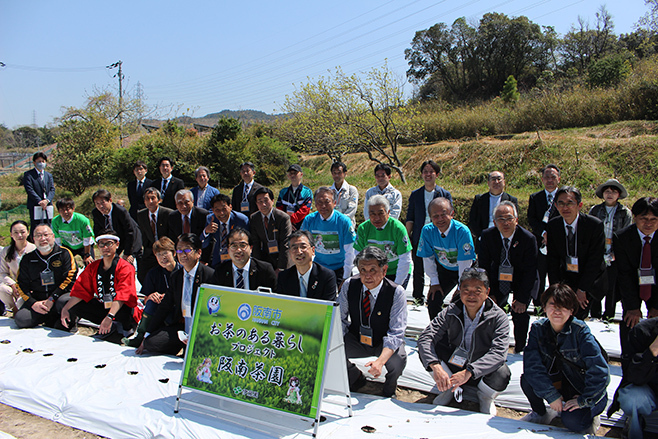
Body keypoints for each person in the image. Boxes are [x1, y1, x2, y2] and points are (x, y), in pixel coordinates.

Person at [417, 269, 511, 415]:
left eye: (478, 290)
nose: (471, 295)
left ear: (487, 292)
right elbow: (426, 337)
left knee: (502, 373)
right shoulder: (451, 311)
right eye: (466, 290)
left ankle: (485, 396)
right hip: (455, 363)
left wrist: (469, 372)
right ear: (459, 291)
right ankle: (447, 387)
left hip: (481, 369)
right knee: (428, 349)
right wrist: (435, 366)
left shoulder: (498, 318)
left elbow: (498, 353)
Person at [520, 284, 609, 435]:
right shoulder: (538, 328)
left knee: (573, 422)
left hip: (582, 389)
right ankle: (541, 413)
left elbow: (599, 372)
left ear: (572, 310)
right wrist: (551, 395)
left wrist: (583, 400)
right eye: (552, 304)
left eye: (563, 306)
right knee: (527, 380)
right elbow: (532, 365)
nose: (557, 311)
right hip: (558, 384)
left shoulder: (580, 331)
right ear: (544, 306)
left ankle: (590, 416)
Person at [340, 246, 408, 397]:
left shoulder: (396, 292)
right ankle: (355, 377)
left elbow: (396, 332)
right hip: (357, 338)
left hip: (382, 342)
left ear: (384, 271)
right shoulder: (349, 285)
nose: (367, 275)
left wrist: (380, 361)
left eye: (372, 270)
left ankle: (389, 387)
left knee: (398, 359)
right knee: (331, 349)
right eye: (362, 270)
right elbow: (339, 319)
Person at [138, 233, 215, 355]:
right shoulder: (176, 276)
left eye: (187, 250)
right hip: (181, 326)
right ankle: (177, 346)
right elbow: (164, 306)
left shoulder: (210, 275)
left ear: (199, 252)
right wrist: (146, 335)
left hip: (201, 327)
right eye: (179, 250)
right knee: (151, 343)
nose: (182, 254)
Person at [478, 201, 538, 353]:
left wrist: (523, 299)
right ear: (494, 222)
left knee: (520, 313)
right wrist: (488, 292)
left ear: (516, 220)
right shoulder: (487, 235)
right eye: (500, 219)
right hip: (497, 276)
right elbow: (483, 266)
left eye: (509, 218)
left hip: (521, 277)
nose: (505, 223)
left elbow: (531, 271)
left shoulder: (528, 238)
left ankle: (520, 347)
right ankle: (492, 346)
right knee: (491, 309)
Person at [60, 231, 139, 343]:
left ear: (117, 245)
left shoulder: (125, 267)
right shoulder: (93, 267)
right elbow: (81, 290)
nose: (105, 247)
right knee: (73, 304)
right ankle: (108, 327)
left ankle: (126, 329)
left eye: (109, 243)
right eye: (101, 244)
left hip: (121, 310)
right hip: (104, 306)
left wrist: (110, 317)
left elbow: (123, 295)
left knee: (124, 305)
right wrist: (66, 308)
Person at [546, 186, 605, 320]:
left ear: (579, 205)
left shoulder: (594, 225)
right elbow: (553, 260)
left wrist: (582, 289)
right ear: (555, 205)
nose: (565, 207)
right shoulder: (553, 225)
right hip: (566, 276)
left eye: (570, 203)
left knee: (578, 316)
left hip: (589, 278)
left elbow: (595, 260)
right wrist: (555, 289)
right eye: (561, 203)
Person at [417, 197, 476, 320]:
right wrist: (434, 282)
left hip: (466, 270)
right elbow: (427, 258)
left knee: (460, 302)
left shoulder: (462, 231)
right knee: (433, 300)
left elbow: (465, 263)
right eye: (435, 216)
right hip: (444, 269)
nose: (440, 219)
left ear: (452, 214)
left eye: (443, 215)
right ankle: (438, 333)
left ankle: (460, 333)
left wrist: (461, 287)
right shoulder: (427, 231)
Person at [614, 197, 658, 355]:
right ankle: (629, 366)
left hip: (656, 285)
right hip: (632, 284)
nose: (648, 223)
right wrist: (632, 307)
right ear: (635, 217)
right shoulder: (622, 237)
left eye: (654, 219)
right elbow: (624, 274)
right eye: (644, 218)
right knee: (629, 320)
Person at [406, 160, 453, 306]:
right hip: (420, 235)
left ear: (436, 174)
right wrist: (408, 236)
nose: (428, 174)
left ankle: (437, 295)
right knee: (418, 267)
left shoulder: (444, 194)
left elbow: (450, 216)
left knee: (438, 266)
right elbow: (410, 217)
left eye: (431, 171)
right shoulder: (415, 194)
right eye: (425, 171)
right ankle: (418, 297)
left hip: (438, 235)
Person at [14, 224, 76, 329]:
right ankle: (46, 317)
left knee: (65, 308)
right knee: (21, 319)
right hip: (39, 300)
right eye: (38, 236)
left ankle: (68, 320)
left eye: (46, 235)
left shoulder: (64, 253)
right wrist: (33, 303)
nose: (43, 239)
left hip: (59, 298)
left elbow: (70, 279)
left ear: (53, 236)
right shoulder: (28, 259)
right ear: (33, 239)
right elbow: (21, 283)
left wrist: (52, 299)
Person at [123, 237, 179, 347]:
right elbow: (144, 300)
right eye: (158, 255)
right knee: (152, 302)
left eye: (165, 253)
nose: (162, 258)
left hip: (178, 312)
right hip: (160, 312)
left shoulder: (182, 270)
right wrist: (151, 297)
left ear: (174, 253)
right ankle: (140, 336)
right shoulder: (153, 273)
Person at [588, 179, 632, 319]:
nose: (610, 194)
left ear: (618, 195)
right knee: (595, 283)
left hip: (615, 253)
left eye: (614, 192)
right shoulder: (595, 210)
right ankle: (595, 313)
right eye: (607, 191)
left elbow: (627, 235)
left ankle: (609, 314)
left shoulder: (625, 212)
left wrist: (617, 253)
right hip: (598, 252)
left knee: (612, 285)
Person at [611, 317, 658, 439]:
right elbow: (632, 377)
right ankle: (634, 427)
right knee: (631, 397)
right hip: (649, 391)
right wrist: (653, 351)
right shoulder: (641, 331)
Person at [301, 187, 356, 284]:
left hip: (340, 268)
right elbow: (304, 246)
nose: (323, 206)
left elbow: (350, 252)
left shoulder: (344, 221)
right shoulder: (309, 220)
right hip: (318, 267)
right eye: (319, 202)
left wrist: (345, 277)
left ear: (334, 203)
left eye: (327, 202)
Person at [355, 195, 412, 288]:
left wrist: (396, 285)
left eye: (380, 213)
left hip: (396, 270)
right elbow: (357, 255)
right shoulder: (363, 228)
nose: (376, 218)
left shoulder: (398, 228)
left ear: (388, 212)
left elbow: (405, 259)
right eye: (372, 214)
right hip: (373, 272)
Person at [527, 164, 562, 303]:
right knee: (539, 275)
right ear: (542, 179)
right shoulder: (536, 197)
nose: (549, 180)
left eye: (553, 177)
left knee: (556, 276)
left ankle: (557, 302)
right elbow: (532, 219)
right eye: (546, 177)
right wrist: (543, 233)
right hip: (540, 241)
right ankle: (538, 304)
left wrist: (552, 235)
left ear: (558, 179)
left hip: (558, 243)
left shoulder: (563, 197)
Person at [276, 230, 337, 300]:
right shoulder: (283, 277)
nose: (299, 252)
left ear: (313, 250)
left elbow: (328, 307)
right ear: (290, 253)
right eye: (294, 248)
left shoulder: (326, 276)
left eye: (303, 247)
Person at [209, 228, 277, 290]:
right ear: (228, 250)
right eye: (234, 246)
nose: (238, 250)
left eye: (243, 245)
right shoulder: (220, 271)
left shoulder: (265, 270)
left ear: (251, 248)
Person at [91, 189, 143, 265]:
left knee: (129, 260)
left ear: (110, 200)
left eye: (103, 202)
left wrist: (128, 253)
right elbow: (98, 231)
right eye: (97, 203)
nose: (100, 206)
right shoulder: (96, 213)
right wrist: (102, 246)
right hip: (114, 239)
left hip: (131, 236)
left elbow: (130, 232)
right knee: (110, 260)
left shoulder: (121, 211)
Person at [467, 171, 519, 242]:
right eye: (493, 179)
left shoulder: (511, 200)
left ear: (504, 182)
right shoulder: (479, 199)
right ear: (488, 183)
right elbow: (472, 220)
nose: (496, 182)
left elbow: (514, 220)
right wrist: (480, 236)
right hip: (484, 238)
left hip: (504, 237)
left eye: (499, 179)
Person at [250, 187, 293, 272]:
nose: (263, 205)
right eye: (260, 201)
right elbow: (255, 243)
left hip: (282, 258)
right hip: (265, 258)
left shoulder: (283, 218)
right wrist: (258, 265)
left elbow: (285, 244)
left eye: (266, 200)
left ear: (272, 201)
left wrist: (280, 268)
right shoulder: (254, 218)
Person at [201, 193, 249, 268]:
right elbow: (203, 244)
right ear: (213, 210)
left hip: (238, 259)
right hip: (218, 261)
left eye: (224, 209)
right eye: (217, 210)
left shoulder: (241, 220)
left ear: (230, 207)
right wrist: (206, 232)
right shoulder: (210, 219)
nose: (221, 213)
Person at [137, 187, 173, 284]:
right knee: (142, 272)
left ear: (159, 200)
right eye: (147, 199)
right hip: (150, 249)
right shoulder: (141, 215)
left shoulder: (168, 213)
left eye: (153, 198)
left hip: (166, 249)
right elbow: (144, 234)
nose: (150, 201)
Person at [0, 221, 36, 314]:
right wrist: (13, 284)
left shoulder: (34, 249)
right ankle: (14, 310)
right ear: (11, 234)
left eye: (22, 232)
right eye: (15, 232)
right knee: (2, 289)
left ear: (28, 233)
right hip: (15, 285)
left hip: (31, 286)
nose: (19, 235)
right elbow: (2, 273)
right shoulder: (6, 251)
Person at [51, 197, 95, 266]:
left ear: (73, 209)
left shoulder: (82, 220)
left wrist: (87, 255)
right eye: (62, 210)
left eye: (67, 209)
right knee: (61, 263)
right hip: (68, 245)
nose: (65, 212)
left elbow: (87, 239)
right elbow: (57, 240)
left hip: (84, 246)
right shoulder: (55, 221)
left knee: (90, 263)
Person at [23, 152, 56, 237]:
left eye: (43, 161)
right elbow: (29, 190)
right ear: (34, 162)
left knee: (48, 225)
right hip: (35, 205)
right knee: (36, 226)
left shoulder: (48, 175)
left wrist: (47, 200)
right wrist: (40, 201)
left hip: (47, 205)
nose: (41, 163)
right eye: (39, 161)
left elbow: (52, 189)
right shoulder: (28, 175)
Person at [276, 164, 313, 230]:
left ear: (301, 174)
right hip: (285, 226)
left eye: (295, 173)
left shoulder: (307, 192)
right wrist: (286, 222)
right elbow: (279, 208)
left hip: (301, 225)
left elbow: (305, 209)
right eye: (290, 173)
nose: (292, 175)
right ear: (288, 176)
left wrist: (291, 220)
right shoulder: (283, 192)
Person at [330, 161, 359, 227]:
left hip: (347, 225)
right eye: (334, 173)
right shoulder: (329, 191)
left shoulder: (352, 190)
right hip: (332, 225)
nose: (336, 175)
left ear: (345, 173)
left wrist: (340, 221)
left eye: (339, 173)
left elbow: (352, 209)